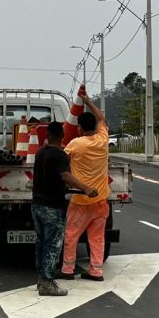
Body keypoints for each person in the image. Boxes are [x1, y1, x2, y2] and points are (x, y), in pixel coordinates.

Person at [32, 121, 97, 296]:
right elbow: (66, 176)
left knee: (41, 243)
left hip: (37, 205)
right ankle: (47, 283)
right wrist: (86, 188)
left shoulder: (40, 153)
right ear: (62, 135)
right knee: (53, 245)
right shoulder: (59, 154)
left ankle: (41, 279)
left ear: (48, 135)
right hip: (52, 207)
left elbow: (50, 177)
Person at [59, 91, 110, 281]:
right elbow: (102, 118)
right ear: (94, 128)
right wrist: (88, 101)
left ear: (79, 128)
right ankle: (96, 271)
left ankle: (67, 270)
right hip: (100, 200)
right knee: (96, 238)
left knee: (71, 235)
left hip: (80, 199)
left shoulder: (75, 144)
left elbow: (61, 161)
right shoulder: (103, 140)